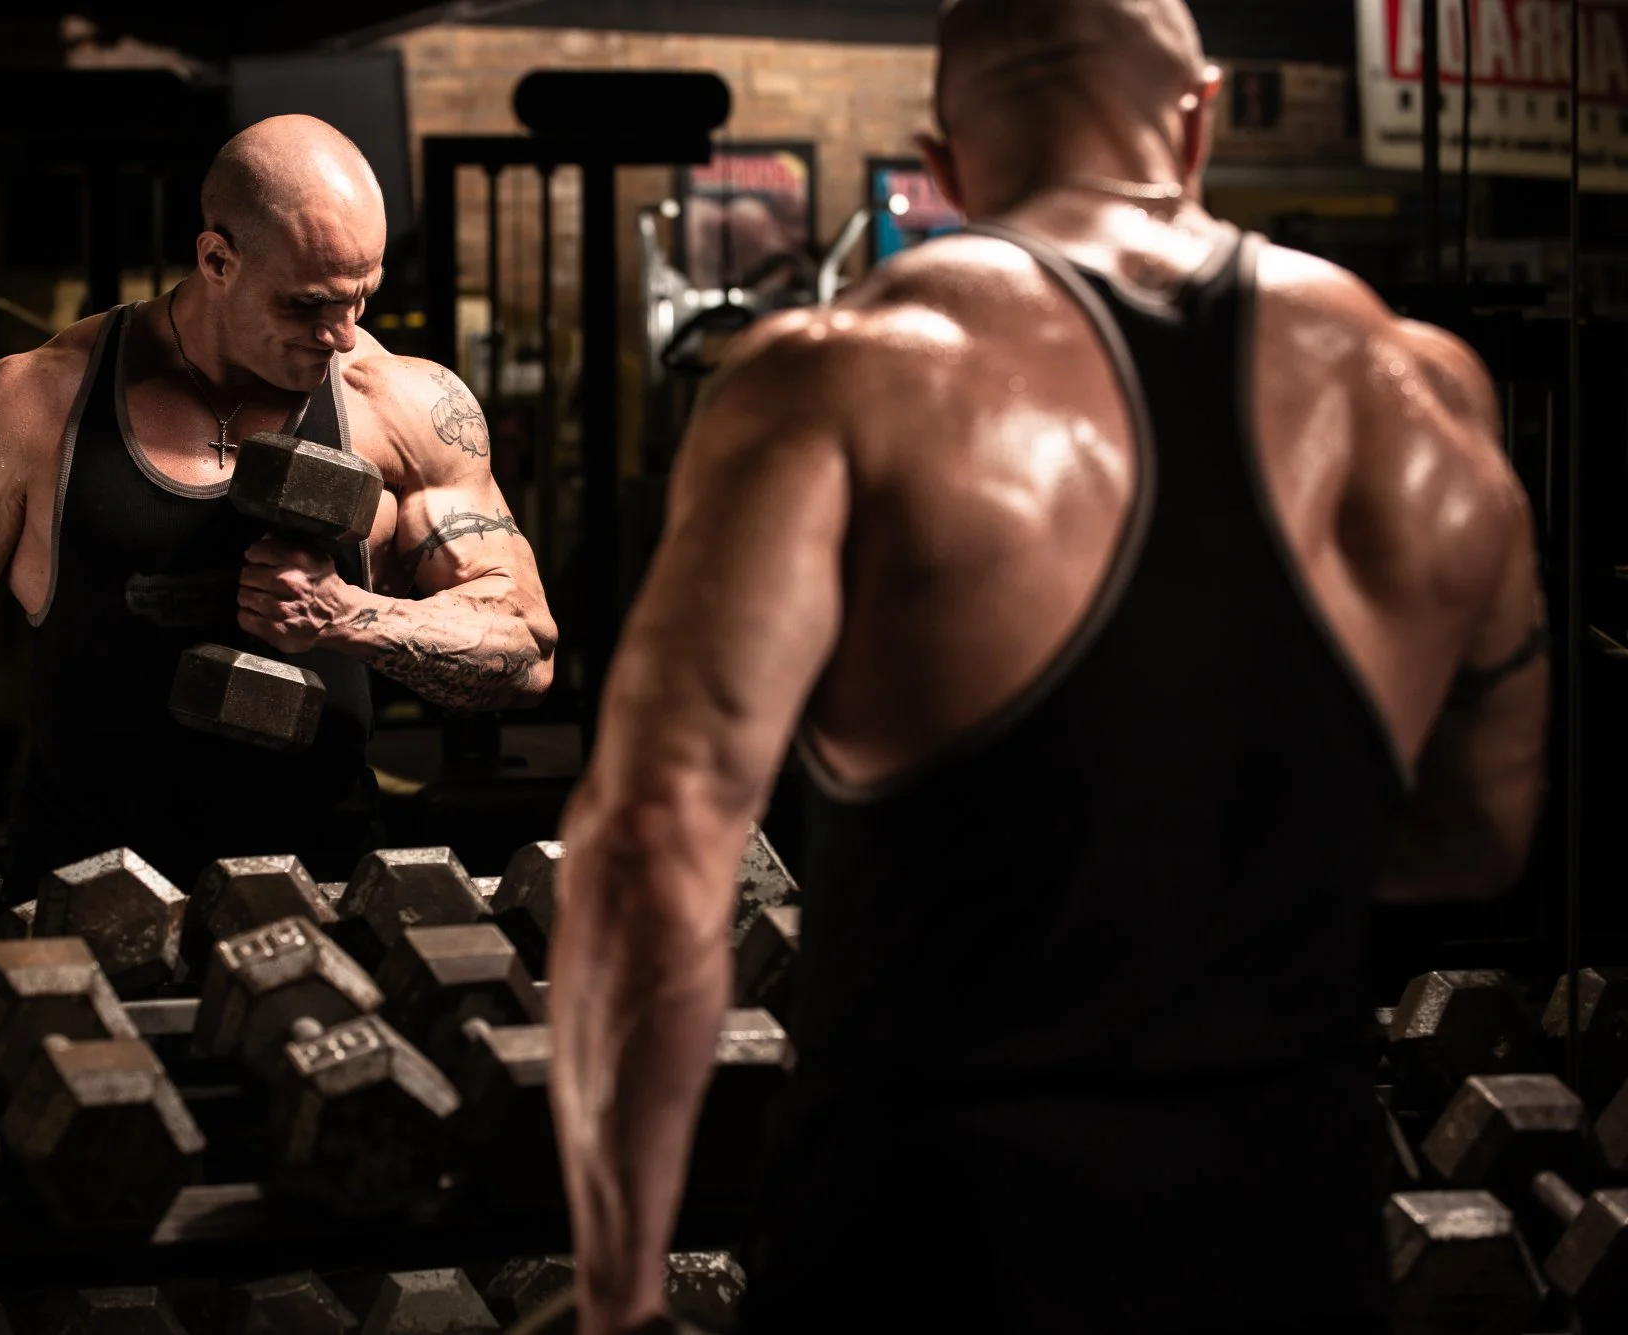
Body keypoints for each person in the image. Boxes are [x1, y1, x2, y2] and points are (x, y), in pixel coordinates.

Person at [545, 1, 1549, 1331]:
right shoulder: (1429, 397)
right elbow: (1478, 835)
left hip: (933, 1249)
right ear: (1197, 117)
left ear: (942, 163)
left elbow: (653, 843)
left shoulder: (840, 377)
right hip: (1293, 1241)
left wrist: (618, 1297)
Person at [0, 115, 556, 898]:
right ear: (217, 258)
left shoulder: (401, 406)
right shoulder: (35, 403)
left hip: (325, 897)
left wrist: (349, 617)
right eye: (308, 305)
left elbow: (527, 649)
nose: (342, 337)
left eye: (362, 298)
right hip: (79, 901)